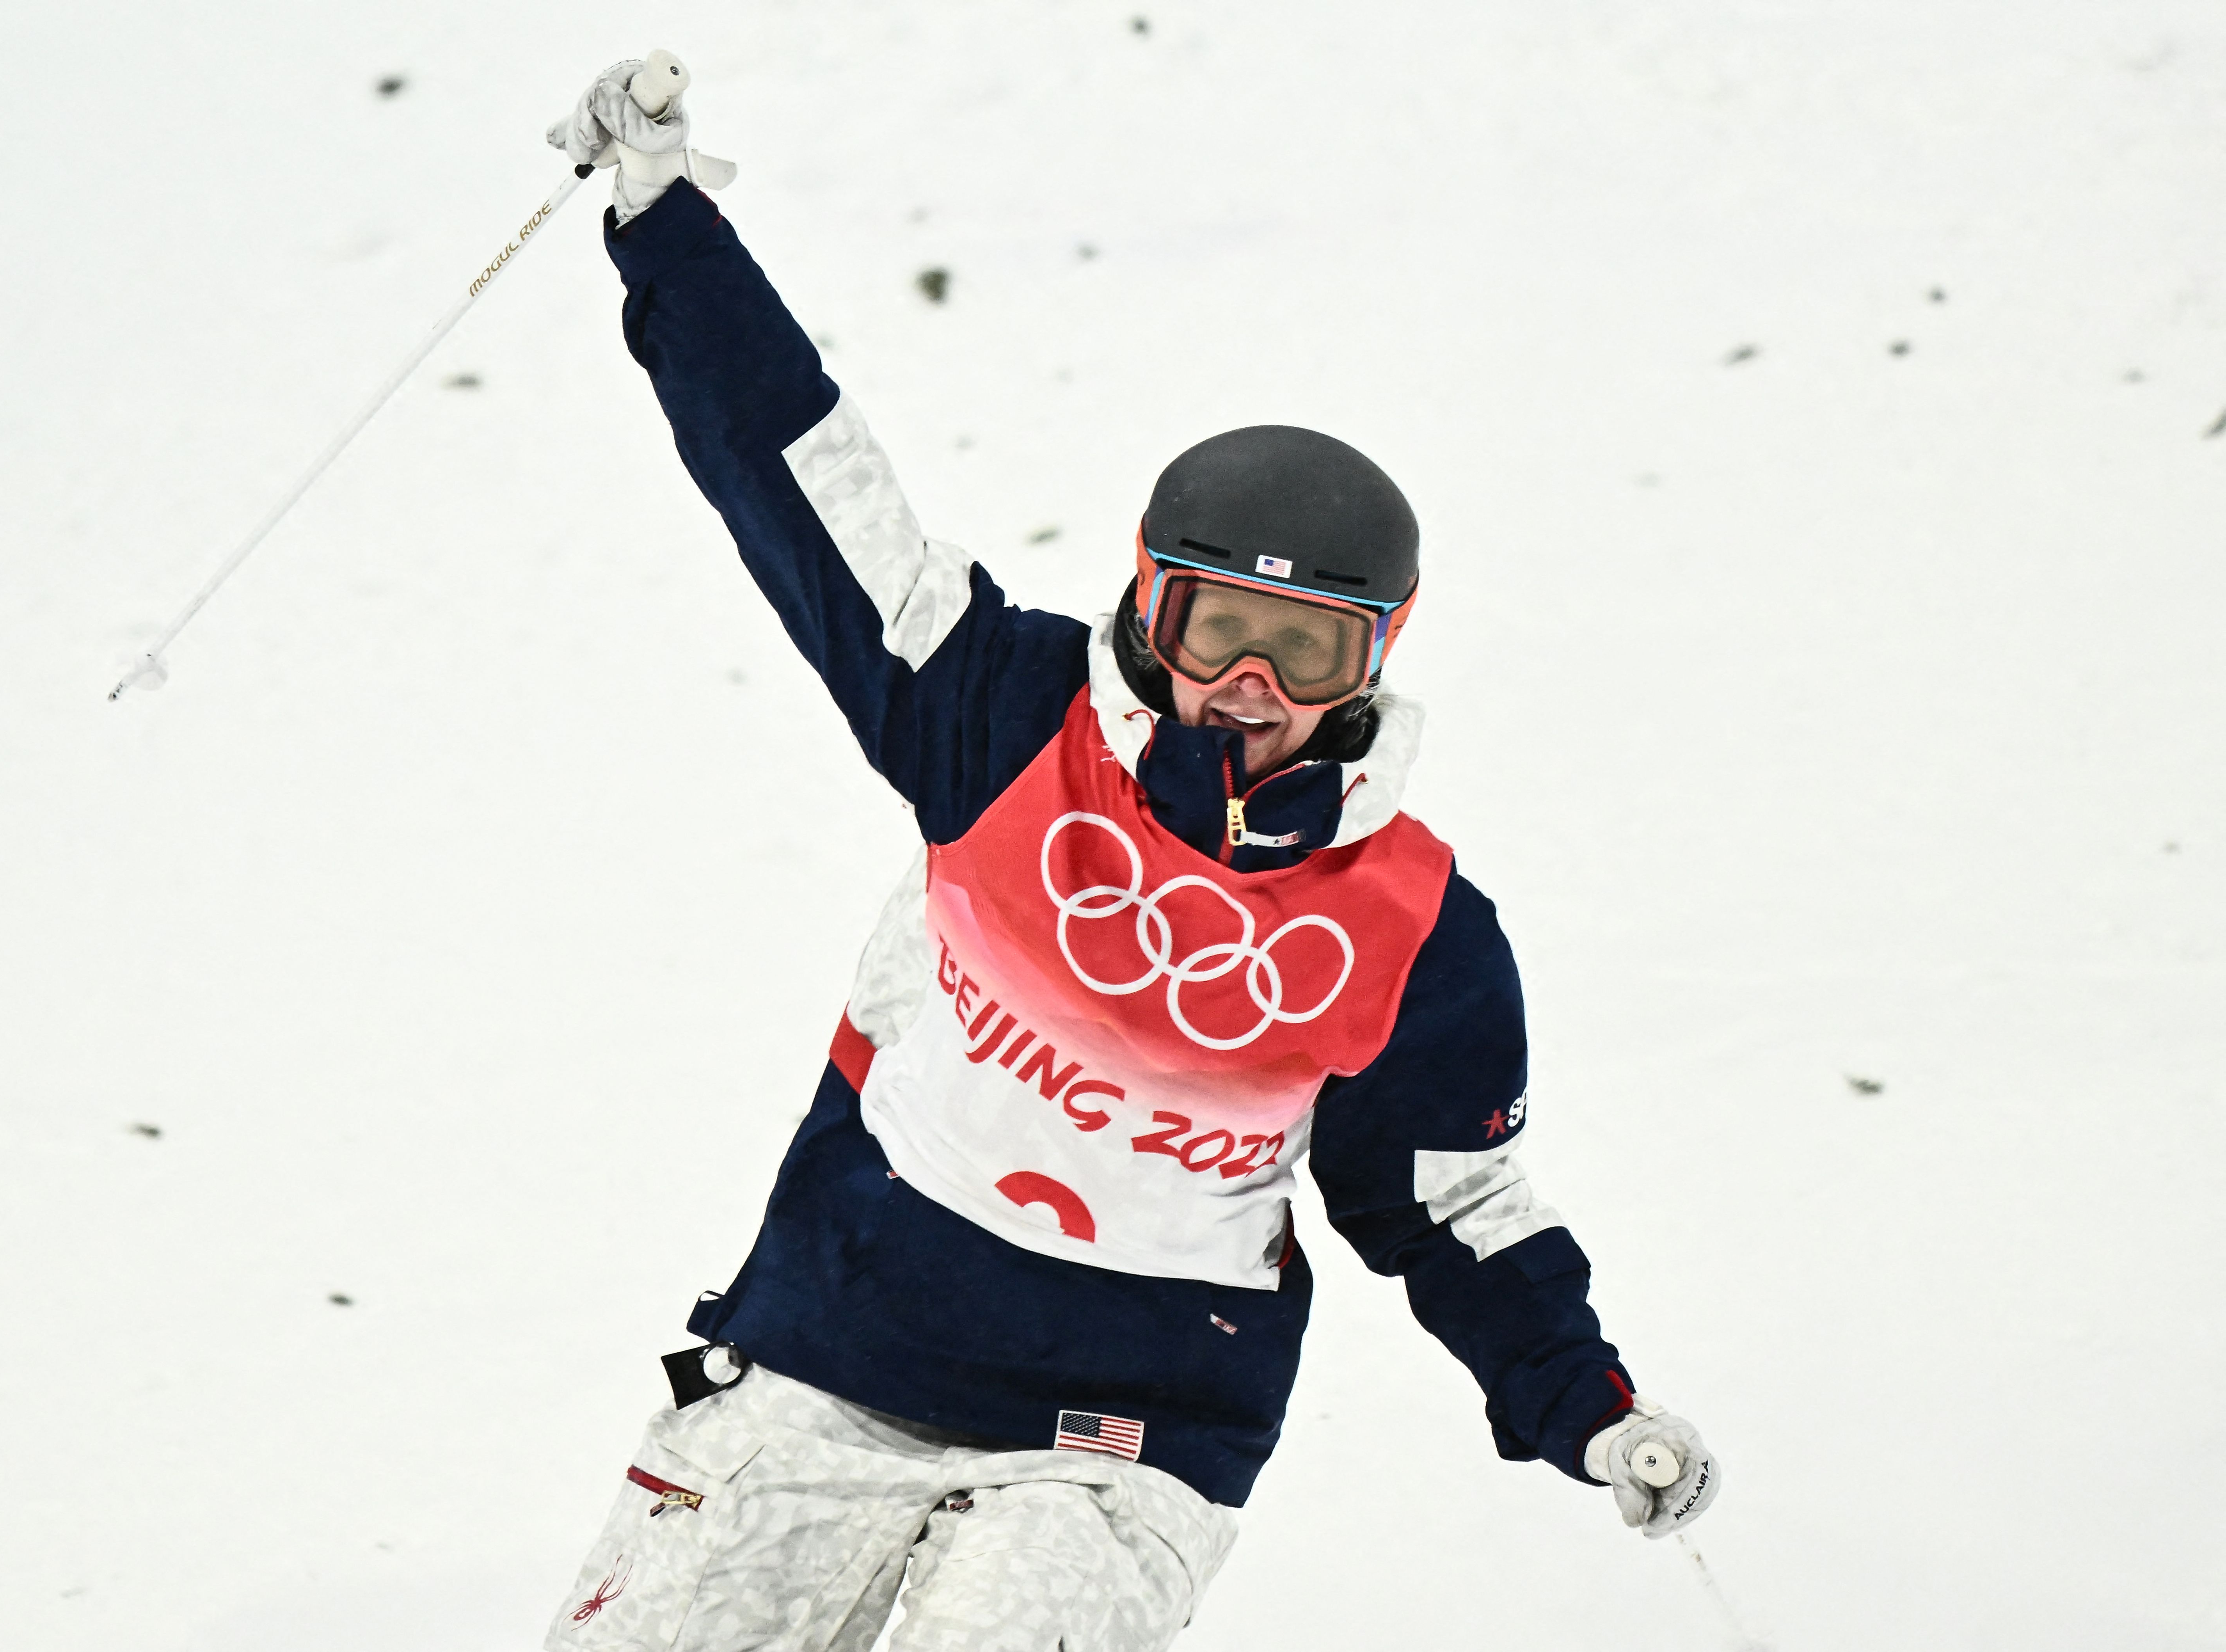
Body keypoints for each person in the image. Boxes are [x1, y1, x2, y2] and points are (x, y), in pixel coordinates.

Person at [539, 60, 1721, 1652]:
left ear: (1373, 665)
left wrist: (1584, 1404)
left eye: (1305, 655)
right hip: (830, 1352)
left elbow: (1450, 1209)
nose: (1250, 689)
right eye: (1217, 630)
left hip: (1125, 1442)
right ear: (1148, 609)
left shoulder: (1417, 930)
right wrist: (666, 226)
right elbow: (802, 478)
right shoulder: (1001, 716)